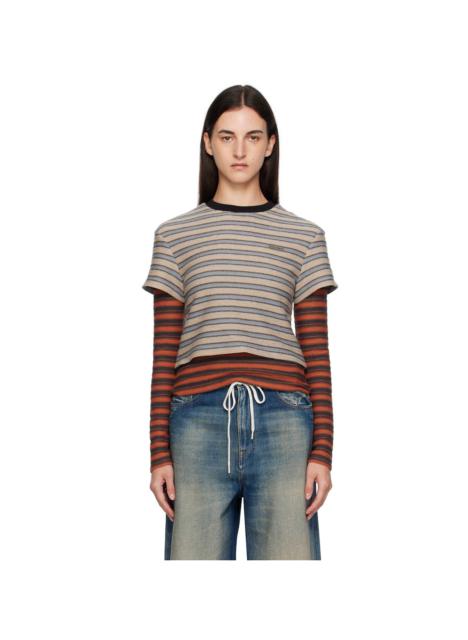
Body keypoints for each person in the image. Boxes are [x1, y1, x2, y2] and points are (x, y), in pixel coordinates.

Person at [142, 84, 339, 560]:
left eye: (253, 137)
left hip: (285, 421)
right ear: (208, 142)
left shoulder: (305, 237)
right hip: (196, 423)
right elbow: (164, 353)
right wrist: (158, 453)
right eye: (227, 136)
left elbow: (317, 352)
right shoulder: (174, 236)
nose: (239, 150)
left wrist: (323, 451)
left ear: (270, 144)